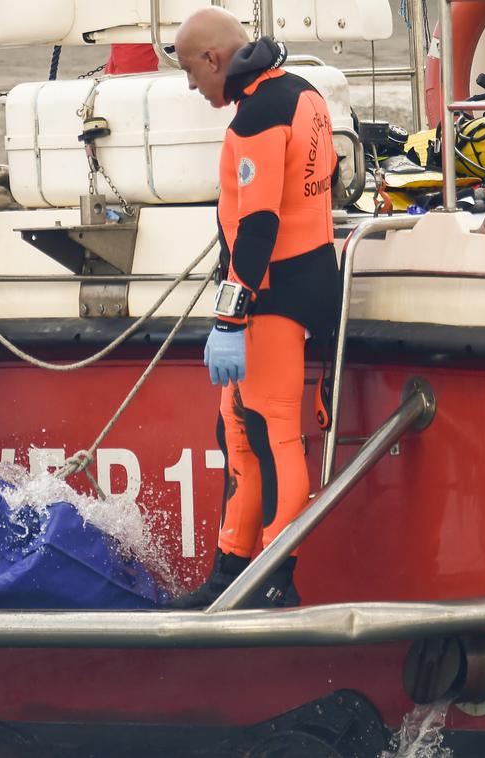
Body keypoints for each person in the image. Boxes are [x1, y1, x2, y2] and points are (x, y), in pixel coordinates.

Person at [169, 7, 341, 608]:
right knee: (237, 432)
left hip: (272, 295)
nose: (192, 86)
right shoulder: (306, 94)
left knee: (270, 436)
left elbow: (259, 222)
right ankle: (232, 572)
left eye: (192, 72)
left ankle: (274, 579)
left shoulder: (258, 116)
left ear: (215, 59)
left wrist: (229, 317)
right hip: (305, 281)